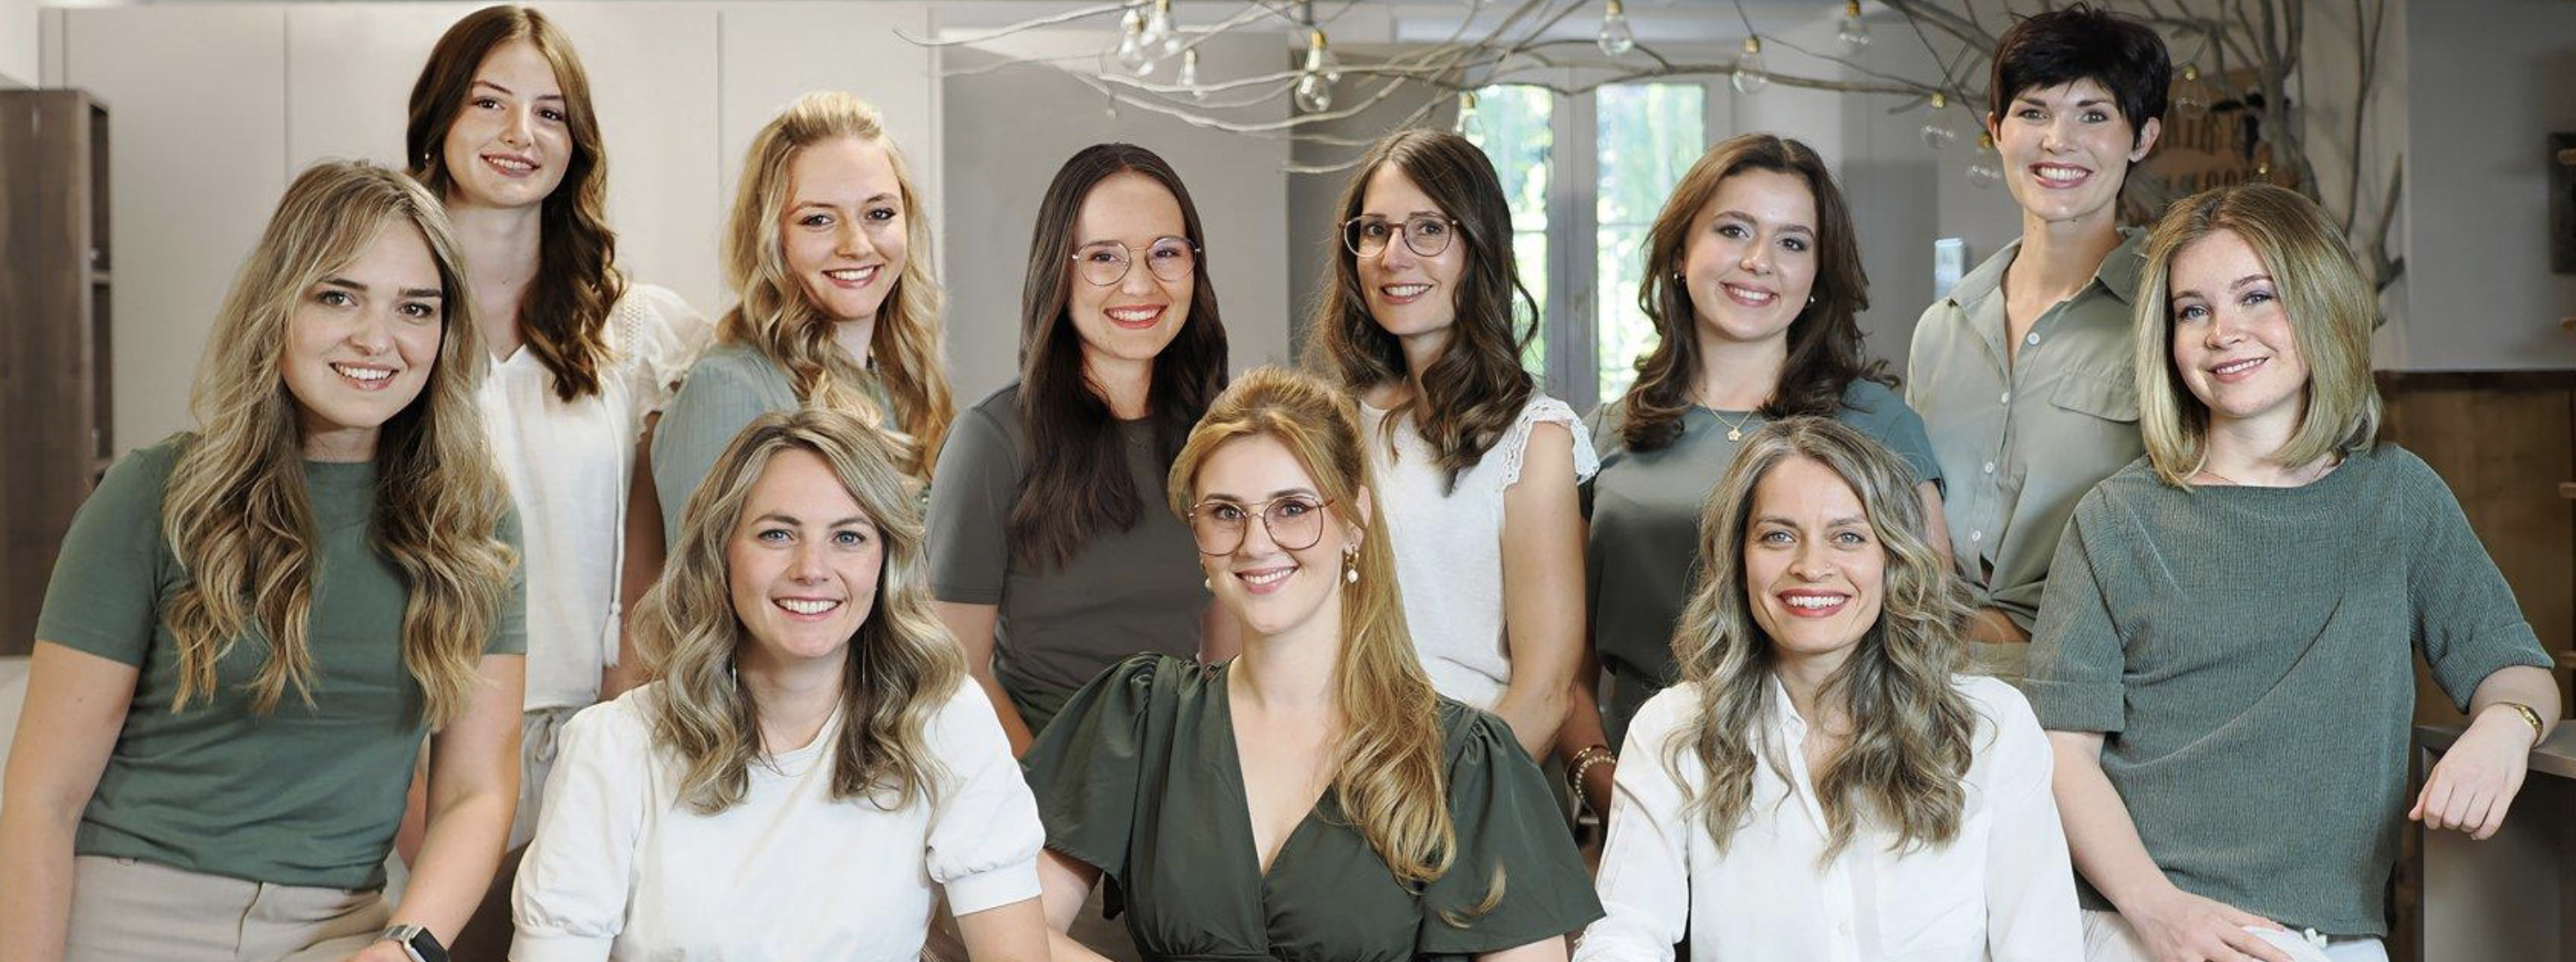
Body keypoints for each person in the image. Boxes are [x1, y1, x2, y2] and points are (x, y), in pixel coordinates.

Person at [0, 160, 526, 962]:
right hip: (130, 917)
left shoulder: (472, 524)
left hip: (341, 930)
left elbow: (476, 792)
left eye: (415, 308)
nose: (376, 338)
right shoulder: (157, 494)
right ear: (277, 304)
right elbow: (44, 796)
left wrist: (405, 948)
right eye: (338, 296)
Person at [2028, 183, 2562, 962]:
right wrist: (2159, 913)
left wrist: (2504, 728)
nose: (2223, 333)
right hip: (2141, 923)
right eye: (2193, 310)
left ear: (2320, 305)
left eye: (2257, 296)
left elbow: (2517, 671)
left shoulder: (2397, 497)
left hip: (2332, 935)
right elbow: (2061, 754)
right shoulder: (2116, 519)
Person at [1022, 366, 1603, 962]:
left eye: (1293, 508)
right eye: (1226, 512)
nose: (1255, 543)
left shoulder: (1467, 760)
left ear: (1354, 520)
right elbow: (1010, 931)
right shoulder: (1143, 715)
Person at [510, 408, 1048, 961]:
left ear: (886, 562)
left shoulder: (945, 721)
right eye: (777, 534)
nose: (811, 568)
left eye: (848, 537)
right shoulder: (613, 747)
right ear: (720, 552)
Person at [1577, 417, 2076, 962]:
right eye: (1778, 536)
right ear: (1738, 560)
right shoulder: (1674, 730)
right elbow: (1624, 934)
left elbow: (2042, 947)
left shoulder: (1992, 726)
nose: (1811, 567)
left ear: (1892, 558)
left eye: (1848, 537)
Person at [405, 0, 710, 855]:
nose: (521, 134)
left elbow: (657, 540)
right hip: (414, 736)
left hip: (593, 727)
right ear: (438, 117)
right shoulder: (385, 323)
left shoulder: (637, 329)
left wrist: (625, 714)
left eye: (550, 113)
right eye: (489, 102)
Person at [1565, 134, 1947, 815]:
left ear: (1818, 274)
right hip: (1647, 792)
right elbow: (1565, 673)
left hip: (1838, 797)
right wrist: (1611, 789)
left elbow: (1927, 635)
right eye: (1733, 230)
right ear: (1680, 251)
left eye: (1792, 243)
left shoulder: (1879, 427)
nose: (1758, 261)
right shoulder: (1602, 437)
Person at [929, 143, 1233, 753]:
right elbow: (955, 674)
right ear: (1059, 271)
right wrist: (1043, 793)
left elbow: (1228, 665)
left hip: (1182, 774)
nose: (1139, 284)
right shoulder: (991, 441)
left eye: (1165, 253)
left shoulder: (1218, 436)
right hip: (1034, 778)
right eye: (1103, 257)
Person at [1904, 3, 2169, 680]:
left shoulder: (2173, 315)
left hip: (2095, 681)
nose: (2058, 141)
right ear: (1996, 130)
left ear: (2142, 137)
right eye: (2033, 112)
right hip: (1929, 676)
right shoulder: (1942, 327)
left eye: (2093, 115)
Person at [1306, 128, 1588, 760]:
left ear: (1478, 247)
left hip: (1469, 769)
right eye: (1375, 231)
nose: (1393, 256)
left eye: (1428, 229)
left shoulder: (1534, 437)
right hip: (1328, 762)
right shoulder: (1333, 422)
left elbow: (1546, 693)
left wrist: (1442, 801)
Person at [652, 91, 952, 534]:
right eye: (818, 219)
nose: (857, 245)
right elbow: (702, 577)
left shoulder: (899, 382)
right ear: (771, 237)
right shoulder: (729, 387)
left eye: (879, 213)